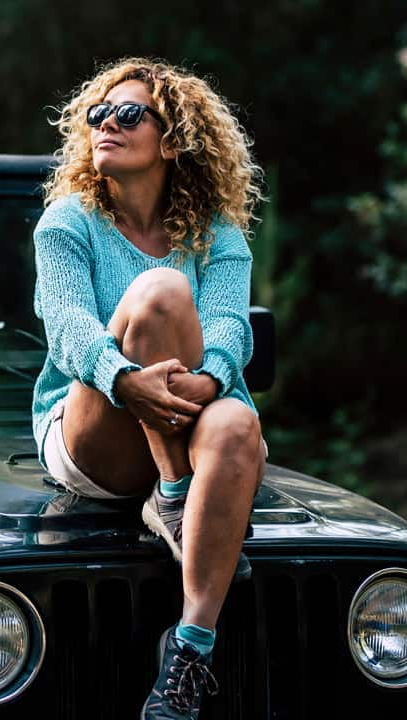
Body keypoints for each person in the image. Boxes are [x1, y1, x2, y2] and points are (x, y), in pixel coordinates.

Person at [31, 58, 265, 719]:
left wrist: (212, 378)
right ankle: (173, 495)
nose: (106, 123)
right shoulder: (66, 223)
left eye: (127, 113)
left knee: (239, 426)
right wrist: (123, 379)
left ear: (173, 139)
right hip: (92, 430)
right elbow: (69, 329)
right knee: (161, 291)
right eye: (97, 115)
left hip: (190, 408)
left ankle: (189, 652)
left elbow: (226, 326)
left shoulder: (217, 232)